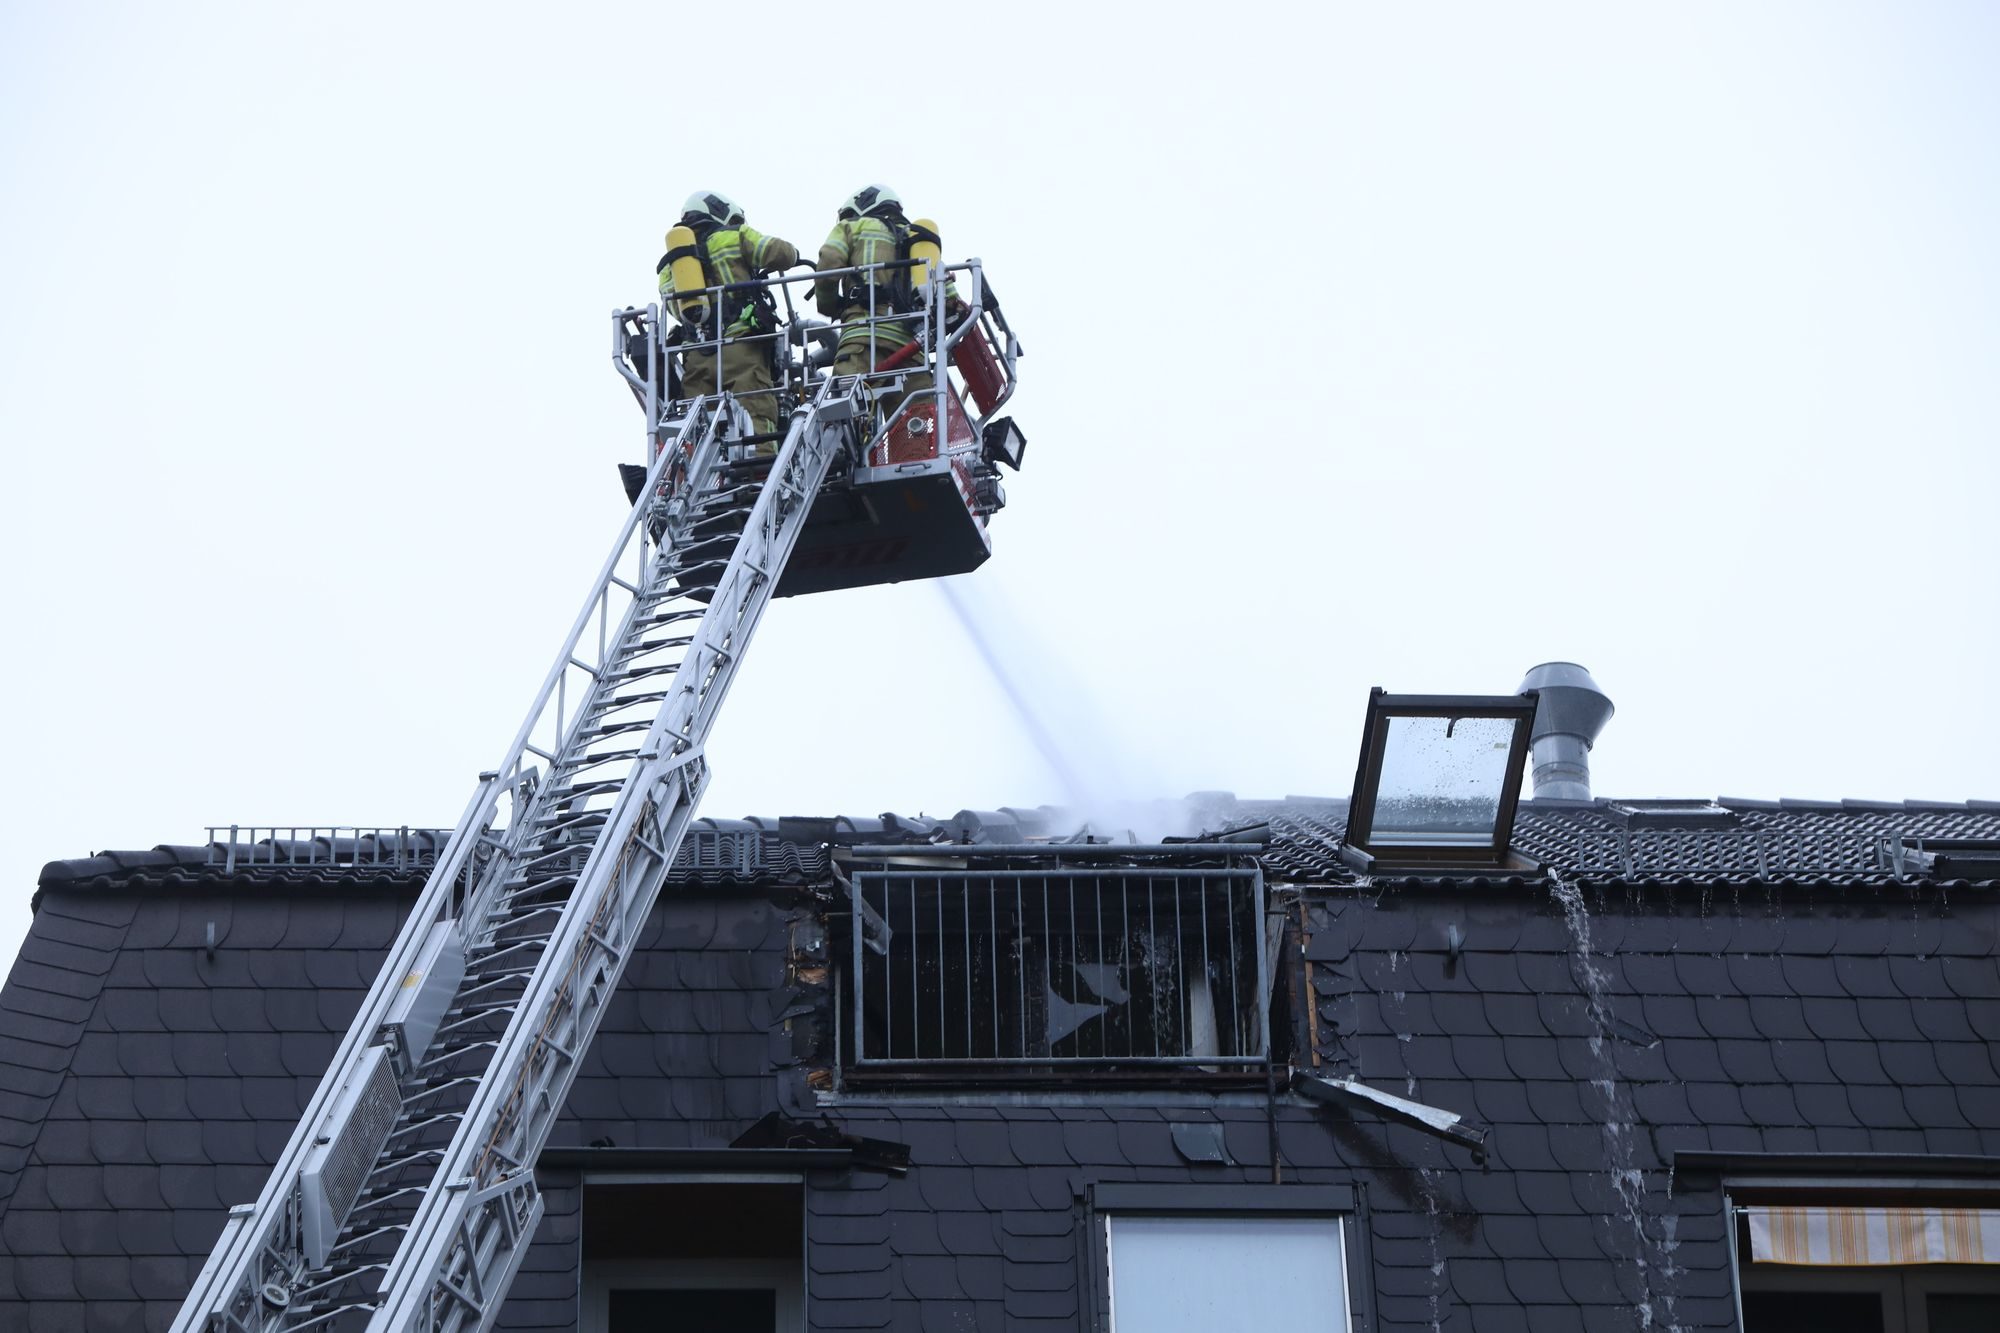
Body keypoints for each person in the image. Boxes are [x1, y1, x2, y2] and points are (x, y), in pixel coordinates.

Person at [657, 191, 798, 446]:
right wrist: (795, 253)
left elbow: (674, 308)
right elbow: (779, 253)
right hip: (740, 348)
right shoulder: (734, 236)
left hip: (697, 358)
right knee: (755, 411)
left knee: (699, 430)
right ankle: (759, 467)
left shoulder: (672, 266)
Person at [813, 184, 962, 423]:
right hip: (911, 350)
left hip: (862, 340)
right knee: (918, 434)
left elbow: (829, 264)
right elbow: (950, 298)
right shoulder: (919, 242)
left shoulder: (852, 227)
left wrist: (828, 304)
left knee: (844, 423)